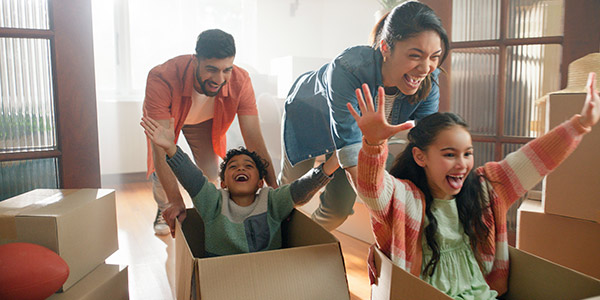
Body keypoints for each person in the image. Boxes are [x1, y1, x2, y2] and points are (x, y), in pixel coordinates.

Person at [350, 72, 599, 298]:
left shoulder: (484, 190)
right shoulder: (405, 199)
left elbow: (535, 159)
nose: (462, 164)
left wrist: (581, 124)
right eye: (449, 155)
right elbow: (372, 190)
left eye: (467, 153)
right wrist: (372, 144)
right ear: (420, 157)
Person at [279, 1, 449, 231]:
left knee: (338, 210)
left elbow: (428, 145)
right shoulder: (348, 68)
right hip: (308, 118)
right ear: (386, 48)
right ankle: (274, 237)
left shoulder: (429, 81)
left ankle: (304, 246)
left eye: (434, 57)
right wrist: (387, 213)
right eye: (415, 55)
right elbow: (350, 149)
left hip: (353, 136)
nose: (425, 68)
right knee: (289, 194)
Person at [143, 29, 277, 236]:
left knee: (211, 173)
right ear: (195, 60)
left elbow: (254, 139)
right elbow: (160, 149)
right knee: (161, 174)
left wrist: (275, 189)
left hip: (204, 122)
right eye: (212, 69)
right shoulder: (162, 77)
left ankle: (204, 211)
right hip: (170, 118)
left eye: (226, 70)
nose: (219, 78)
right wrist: (176, 201)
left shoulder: (241, 81)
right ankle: (164, 208)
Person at [140, 116, 339, 255]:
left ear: (260, 182)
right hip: (222, 277)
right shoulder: (214, 202)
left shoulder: (271, 200)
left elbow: (300, 189)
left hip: (267, 275)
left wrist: (329, 166)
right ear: (224, 183)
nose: (240, 169)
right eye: (233, 167)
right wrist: (171, 148)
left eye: (248, 166)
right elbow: (193, 178)